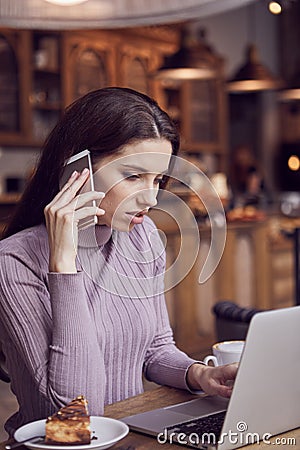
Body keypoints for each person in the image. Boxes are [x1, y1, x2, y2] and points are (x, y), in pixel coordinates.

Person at [0, 87, 237, 436]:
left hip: (129, 438)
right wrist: (64, 263)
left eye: (157, 178)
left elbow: (155, 349)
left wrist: (199, 373)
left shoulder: (142, 236)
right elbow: (77, 412)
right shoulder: (14, 262)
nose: (152, 197)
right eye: (133, 176)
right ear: (76, 171)